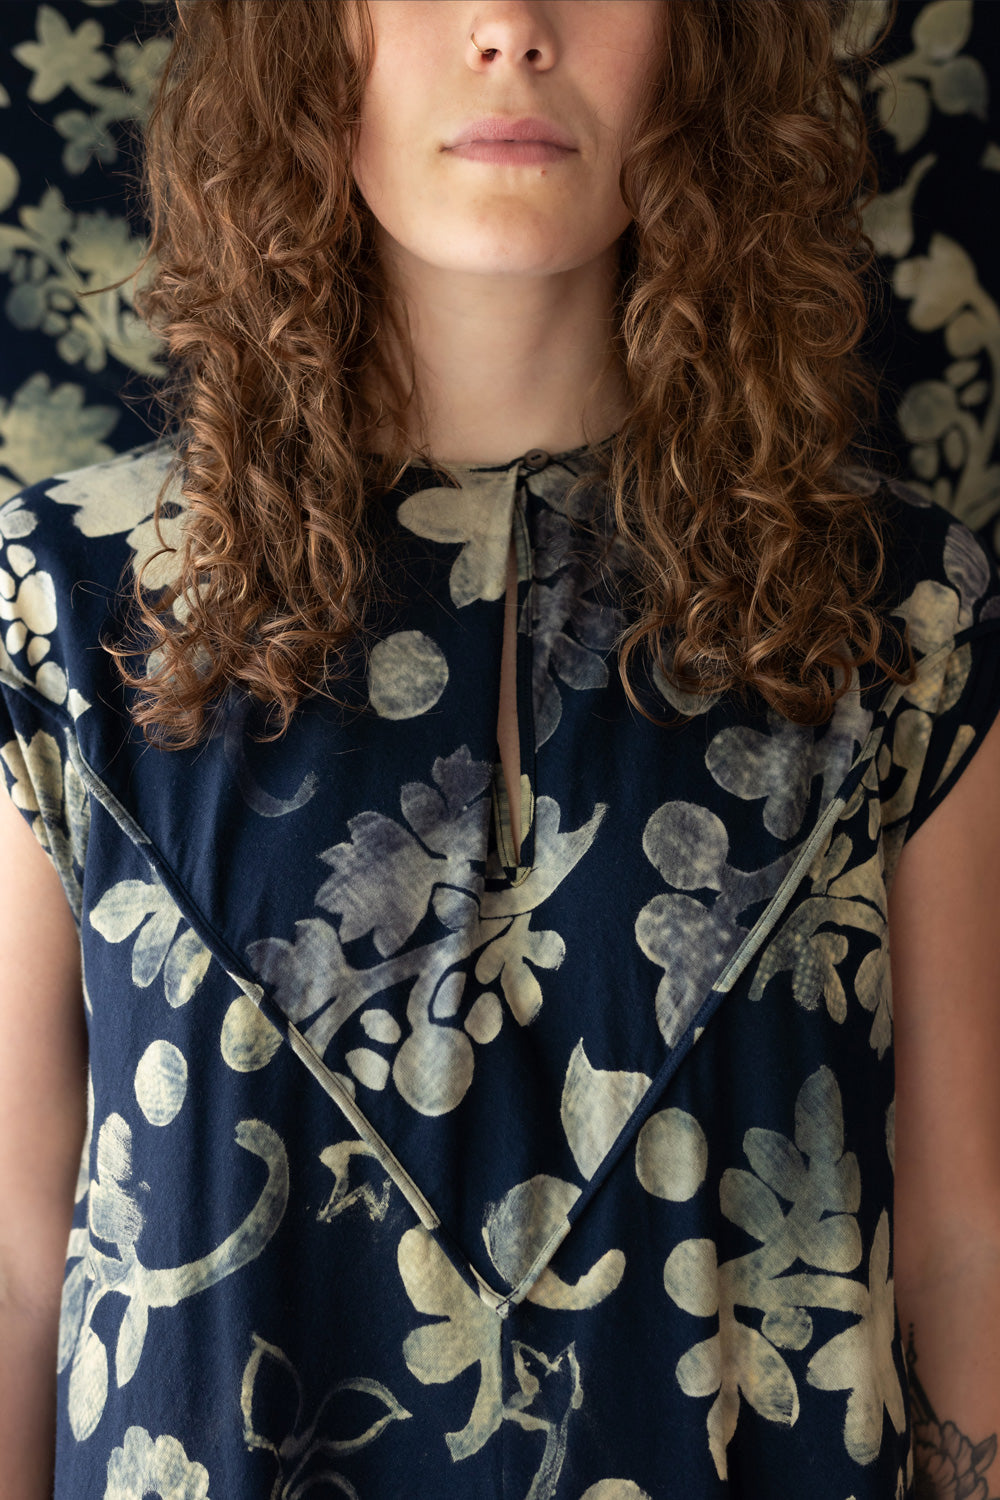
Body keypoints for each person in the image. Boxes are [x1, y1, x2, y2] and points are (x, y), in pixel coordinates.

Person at [1, 1, 998, 1495]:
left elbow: (963, 1245)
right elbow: (18, 1261)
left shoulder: (899, 618)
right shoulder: (69, 610)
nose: (511, 28)